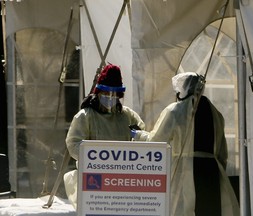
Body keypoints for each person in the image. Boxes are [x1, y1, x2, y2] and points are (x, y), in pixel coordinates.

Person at [132, 72, 239, 216]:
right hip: (212, 173)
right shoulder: (215, 113)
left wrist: (137, 135)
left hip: (185, 170)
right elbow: (222, 153)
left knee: (182, 210)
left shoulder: (176, 110)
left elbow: (156, 141)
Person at [63, 63, 145, 209]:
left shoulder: (127, 116)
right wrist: (97, 158)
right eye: (106, 94)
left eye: (114, 95)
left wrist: (138, 137)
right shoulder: (86, 116)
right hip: (94, 179)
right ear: (98, 93)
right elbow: (73, 143)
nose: (110, 98)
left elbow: (143, 137)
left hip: (122, 179)